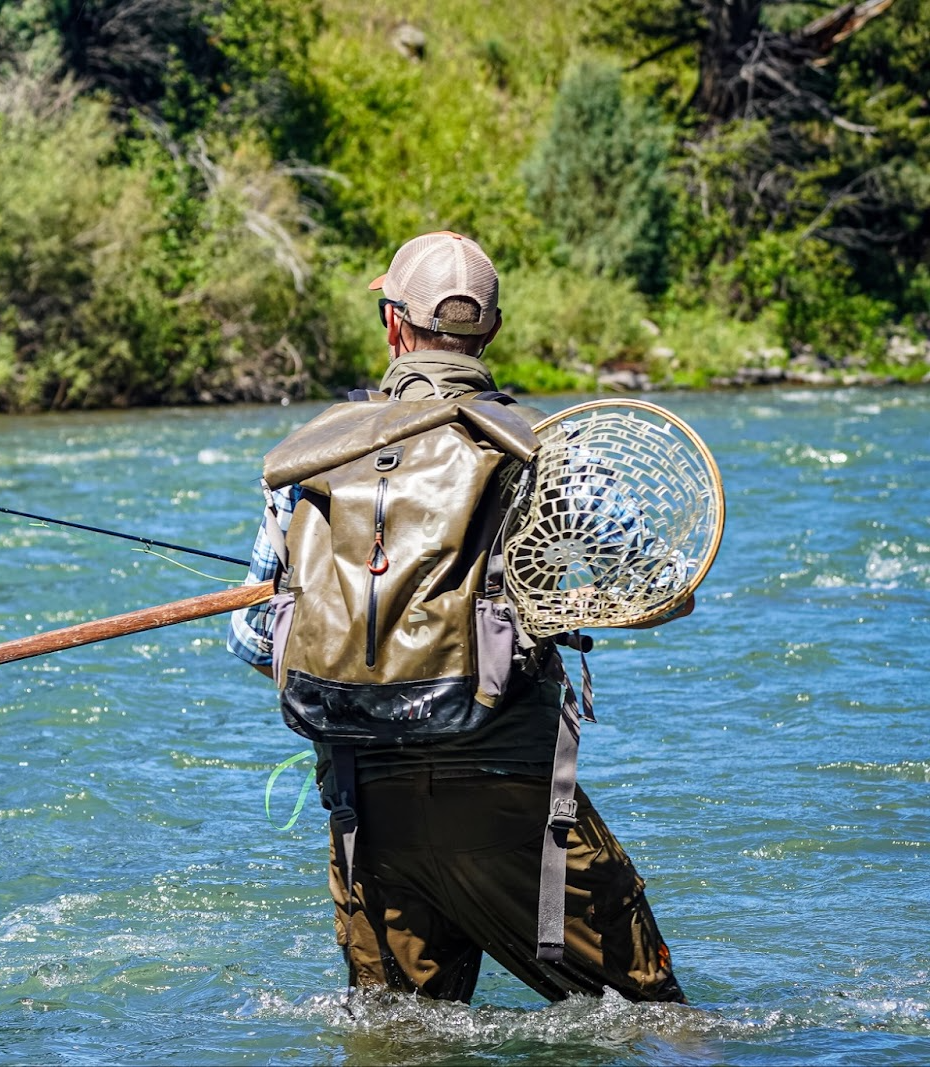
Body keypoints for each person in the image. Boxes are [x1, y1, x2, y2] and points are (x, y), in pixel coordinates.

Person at [228, 231, 689, 1004]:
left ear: (392, 324)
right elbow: (660, 587)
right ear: (493, 331)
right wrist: (556, 602)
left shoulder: (307, 459)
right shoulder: (549, 449)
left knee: (398, 1042)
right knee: (655, 1027)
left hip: (366, 819)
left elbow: (249, 639)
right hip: (510, 806)